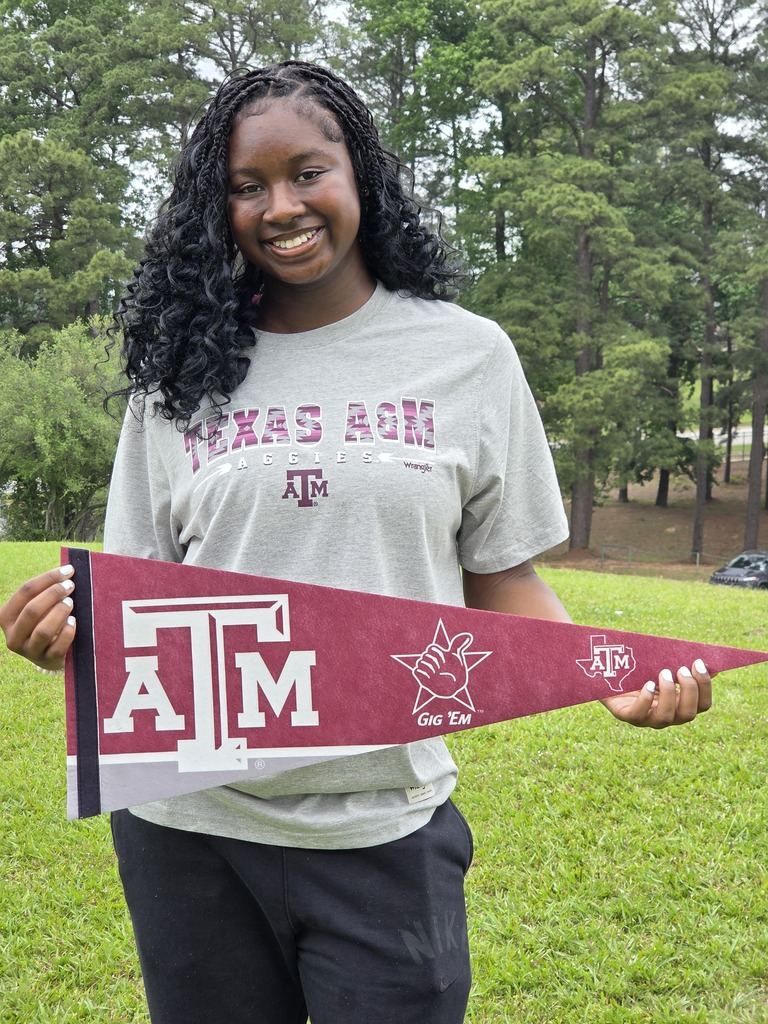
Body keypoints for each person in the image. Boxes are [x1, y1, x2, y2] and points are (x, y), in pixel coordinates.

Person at [0, 61, 712, 1024]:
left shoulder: (467, 355)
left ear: (360, 177)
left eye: (307, 172)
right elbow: (140, 596)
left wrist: (607, 674)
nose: (280, 206)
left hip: (384, 823)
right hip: (188, 830)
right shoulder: (179, 376)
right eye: (246, 187)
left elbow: (498, 569)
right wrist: (63, 631)